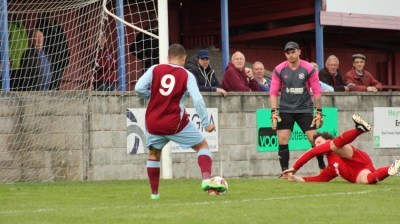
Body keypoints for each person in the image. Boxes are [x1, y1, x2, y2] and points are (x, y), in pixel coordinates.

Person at [135, 44, 226, 200]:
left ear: (168, 58)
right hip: (175, 122)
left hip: (153, 122)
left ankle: (154, 195)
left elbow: (138, 88)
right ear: (184, 58)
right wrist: (206, 123)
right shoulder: (187, 75)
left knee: (154, 154)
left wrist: (152, 95)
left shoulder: (155, 69)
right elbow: (198, 99)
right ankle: (205, 180)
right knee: (202, 146)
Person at [282, 114, 400, 184]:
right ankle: (391, 168)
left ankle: (359, 130)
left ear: (327, 140)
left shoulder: (332, 146)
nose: (317, 145)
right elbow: (319, 178)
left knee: (335, 146)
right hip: (358, 172)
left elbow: (313, 152)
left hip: (357, 159)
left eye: (319, 142)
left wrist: (294, 167)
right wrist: (294, 178)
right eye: (316, 143)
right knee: (365, 181)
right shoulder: (331, 167)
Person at [270, 41, 326, 173]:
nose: (291, 55)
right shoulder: (279, 69)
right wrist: (273, 112)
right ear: (285, 54)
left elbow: (317, 91)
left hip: (305, 108)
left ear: (299, 52)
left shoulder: (308, 68)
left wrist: (318, 111)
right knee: (282, 139)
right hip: (285, 109)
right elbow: (273, 92)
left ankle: (322, 166)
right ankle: (285, 171)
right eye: (288, 53)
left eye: (293, 52)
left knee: (314, 140)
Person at [36, 12, 70, 90]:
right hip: (49, 62)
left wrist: (66, 57)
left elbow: (64, 43)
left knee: (56, 85)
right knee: (47, 84)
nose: (51, 16)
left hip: (60, 62)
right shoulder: (41, 26)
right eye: (49, 15)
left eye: (52, 14)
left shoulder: (58, 27)